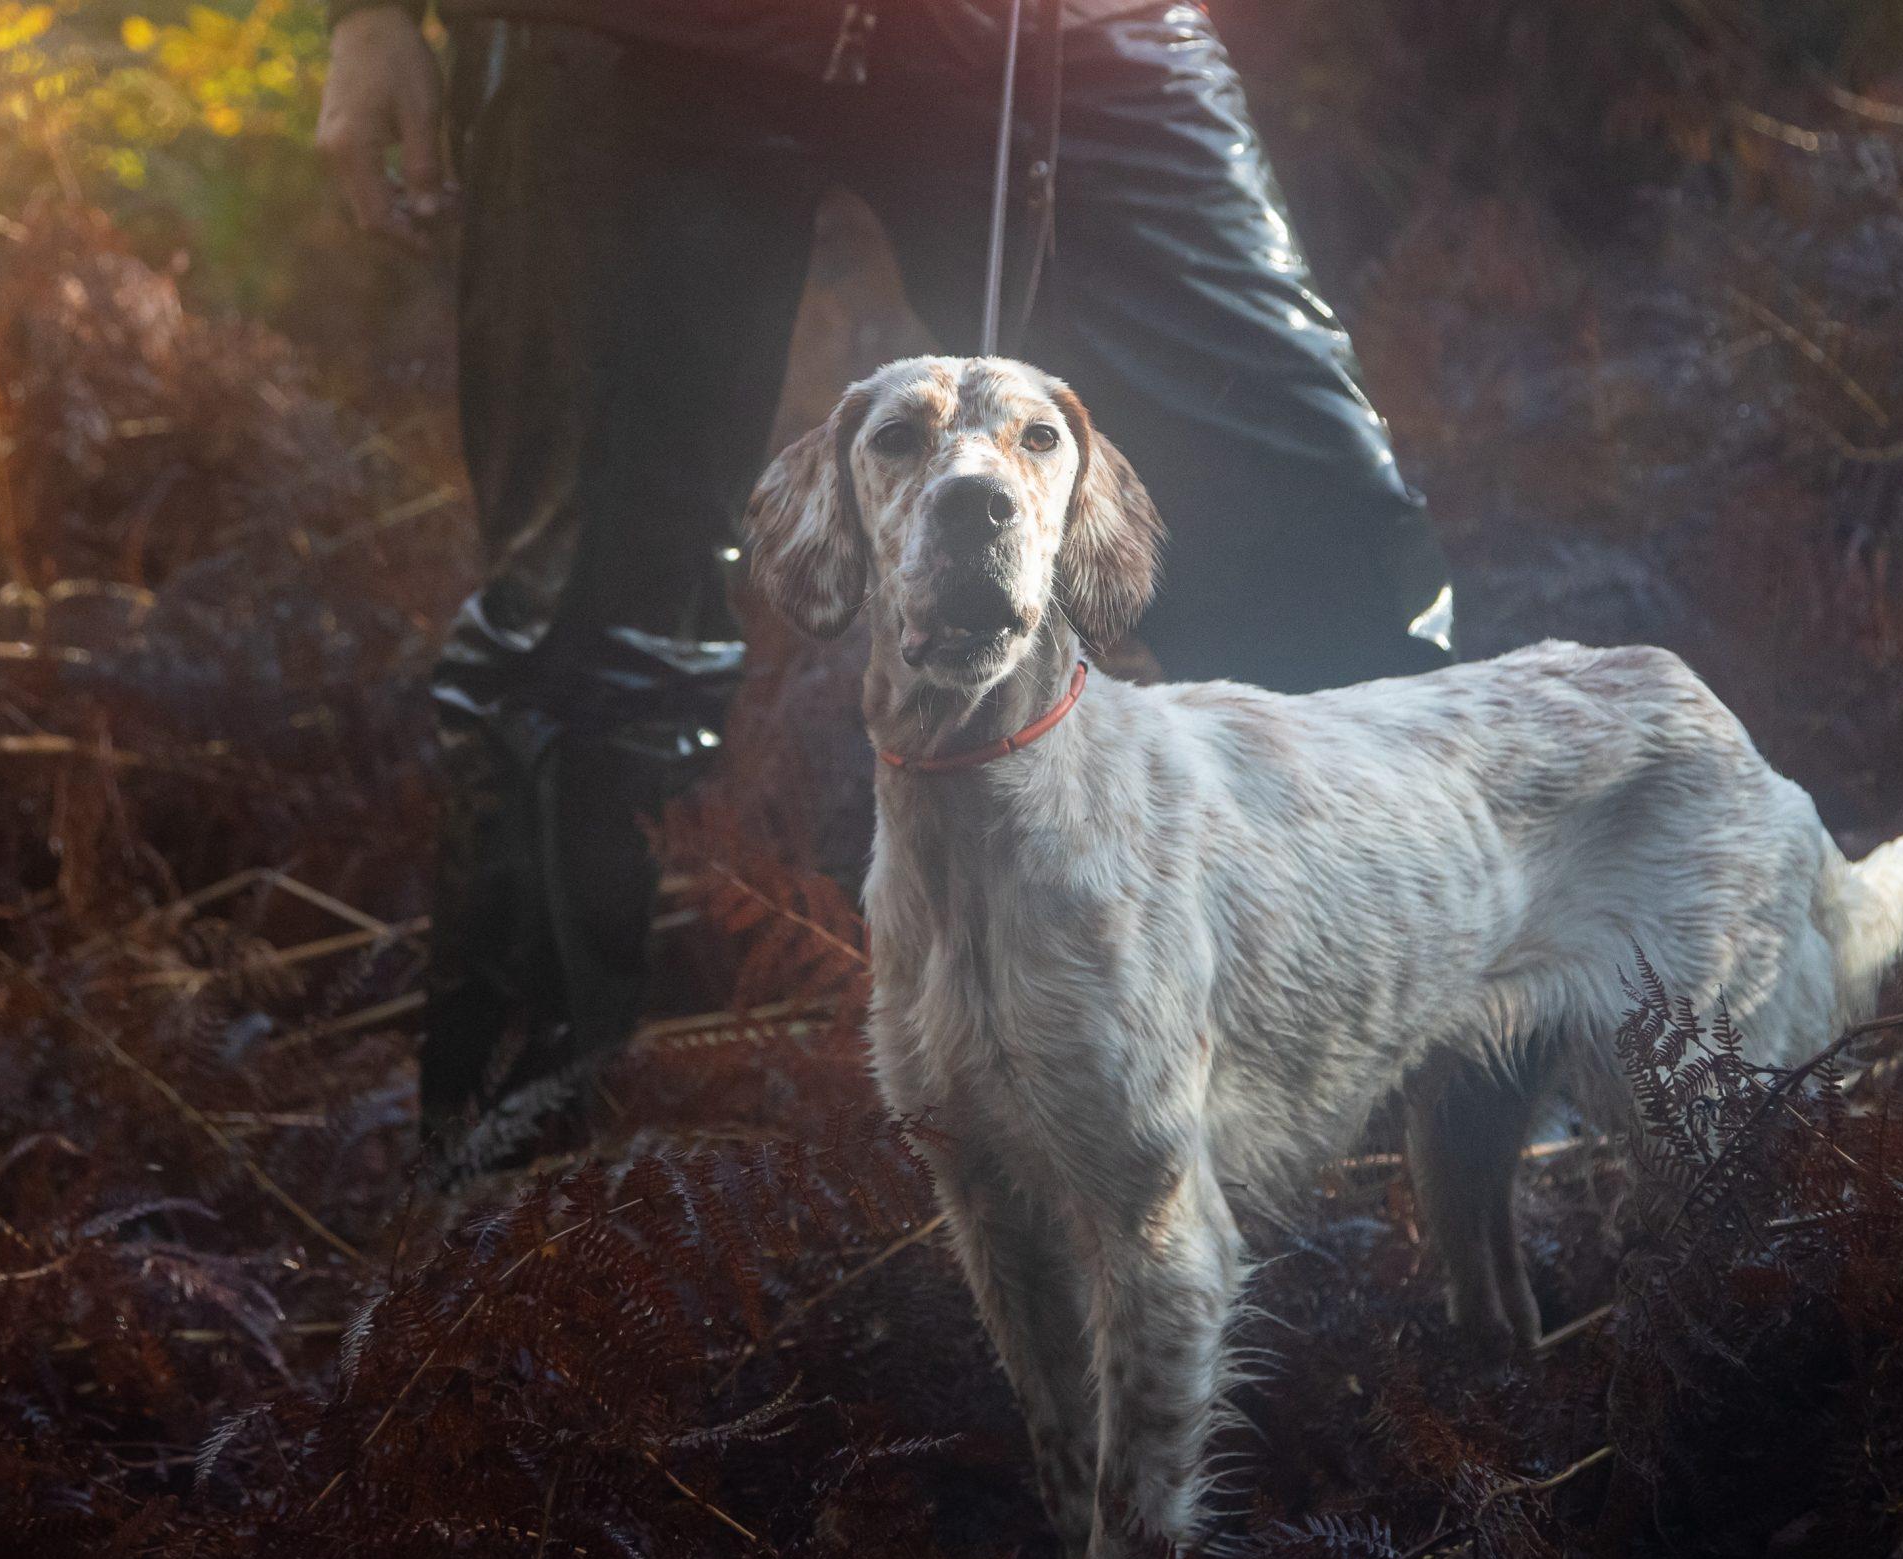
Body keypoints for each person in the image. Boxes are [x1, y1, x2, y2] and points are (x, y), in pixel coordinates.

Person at [318, 0, 1453, 1119]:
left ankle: (1440, 1133)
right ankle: (510, 1230)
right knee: (582, 640)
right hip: (622, 36)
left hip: (1056, 34)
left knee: (1328, 567)